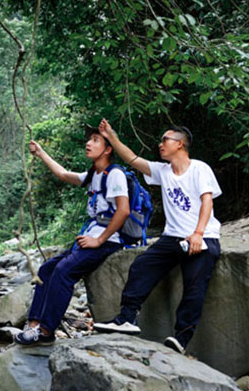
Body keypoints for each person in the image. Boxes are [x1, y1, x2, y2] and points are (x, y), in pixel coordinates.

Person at [93, 118, 222, 355]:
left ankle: (181, 339)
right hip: (172, 238)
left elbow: (207, 200)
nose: (160, 144)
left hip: (202, 238)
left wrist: (198, 234)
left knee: (194, 288)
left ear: (180, 144)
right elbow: (132, 159)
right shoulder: (163, 171)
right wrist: (111, 137)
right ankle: (127, 318)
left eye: (165, 140)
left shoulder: (199, 168)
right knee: (142, 266)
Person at [14, 126, 133, 346]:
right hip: (89, 239)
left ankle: (46, 331)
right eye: (90, 140)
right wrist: (40, 153)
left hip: (107, 242)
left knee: (63, 272)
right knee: (46, 269)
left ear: (108, 149)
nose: (89, 143)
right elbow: (63, 174)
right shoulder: (94, 174)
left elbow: (123, 210)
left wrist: (99, 240)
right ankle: (33, 326)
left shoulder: (114, 174)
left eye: (96, 140)